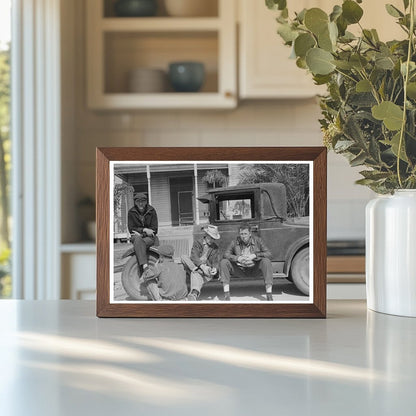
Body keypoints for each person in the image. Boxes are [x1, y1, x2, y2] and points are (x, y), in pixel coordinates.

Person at [220, 223, 274, 301]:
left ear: (250, 234)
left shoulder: (258, 240)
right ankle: (226, 295)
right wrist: (237, 258)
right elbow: (226, 255)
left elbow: (269, 254)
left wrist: (254, 255)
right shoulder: (234, 242)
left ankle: (269, 295)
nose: (243, 236)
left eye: (245, 234)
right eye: (241, 234)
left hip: (254, 269)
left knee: (266, 261)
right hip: (240, 270)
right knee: (224, 262)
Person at [181, 224, 221, 301]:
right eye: (211, 238)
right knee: (183, 257)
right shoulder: (197, 242)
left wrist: (215, 268)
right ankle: (196, 270)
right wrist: (201, 266)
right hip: (196, 266)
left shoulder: (215, 247)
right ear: (206, 235)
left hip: (206, 270)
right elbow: (194, 256)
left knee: (195, 273)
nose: (212, 240)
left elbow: (216, 261)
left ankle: (194, 294)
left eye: (214, 239)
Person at [128, 192, 158, 274]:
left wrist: (141, 234)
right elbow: (131, 229)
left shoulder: (151, 210)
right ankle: (145, 267)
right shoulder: (131, 212)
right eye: (138, 201)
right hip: (136, 237)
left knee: (139, 240)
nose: (140, 204)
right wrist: (144, 230)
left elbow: (154, 229)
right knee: (137, 239)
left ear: (146, 201)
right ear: (135, 202)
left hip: (149, 238)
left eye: (143, 201)